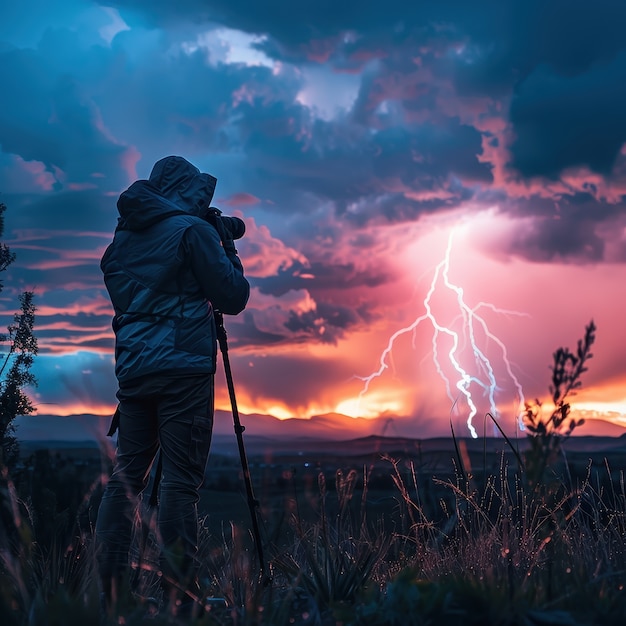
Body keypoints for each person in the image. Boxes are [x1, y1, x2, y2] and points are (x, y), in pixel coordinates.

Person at [95, 155, 250, 619]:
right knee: (181, 483)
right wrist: (225, 247)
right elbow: (233, 297)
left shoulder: (123, 239)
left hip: (135, 369)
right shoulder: (192, 232)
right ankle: (180, 598)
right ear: (190, 193)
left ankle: (111, 594)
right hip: (183, 366)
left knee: (125, 480)